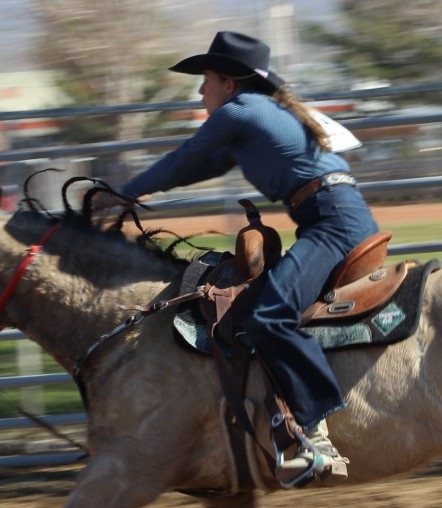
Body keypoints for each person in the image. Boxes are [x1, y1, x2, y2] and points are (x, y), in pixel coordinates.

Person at [98, 31, 379, 484]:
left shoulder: (240, 110)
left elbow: (185, 155)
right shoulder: (257, 114)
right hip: (331, 215)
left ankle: (315, 432)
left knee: (271, 317)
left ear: (228, 83)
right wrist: (139, 190)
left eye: (205, 80)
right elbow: (201, 164)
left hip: (332, 222)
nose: (199, 90)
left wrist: (124, 192)